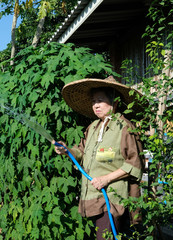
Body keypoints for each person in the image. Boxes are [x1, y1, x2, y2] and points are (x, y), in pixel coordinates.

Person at [54, 76, 144, 240]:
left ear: (114, 102)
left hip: (112, 198)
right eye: (94, 101)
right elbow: (81, 153)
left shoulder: (124, 128)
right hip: (94, 197)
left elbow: (135, 164)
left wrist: (106, 179)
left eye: (100, 100)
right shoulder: (93, 127)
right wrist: (67, 150)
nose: (95, 105)